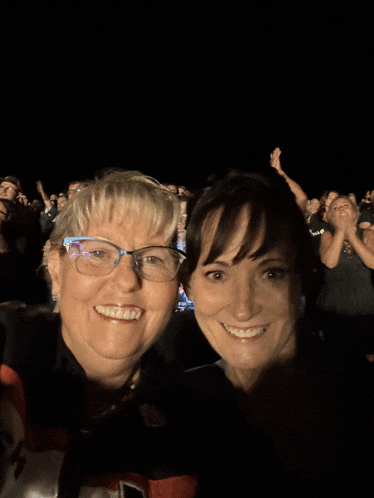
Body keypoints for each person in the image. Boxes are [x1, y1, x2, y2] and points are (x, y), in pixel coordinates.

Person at [0, 170, 257, 496]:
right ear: (56, 269)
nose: (126, 282)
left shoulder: (201, 427)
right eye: (97, 253)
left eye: (151, 257)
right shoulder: (10, 356)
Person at [179, 170, 374, 496]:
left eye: (271, 272)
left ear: (304, 279)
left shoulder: (360, 404)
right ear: (188, 286)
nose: (243, 308)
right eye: (217, 274)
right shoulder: (170, 411)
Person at [316, 195, 374, 355]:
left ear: (355, 212)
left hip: (366, 310)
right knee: (338, 359)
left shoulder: (368, 234)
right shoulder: (327, 236)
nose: (341, 208)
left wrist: (352, 234)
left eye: (345, 205)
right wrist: (341, 231)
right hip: (335, 311)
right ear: (330, 216)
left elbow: (372, 262)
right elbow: (330, 262)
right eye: (335, 207)